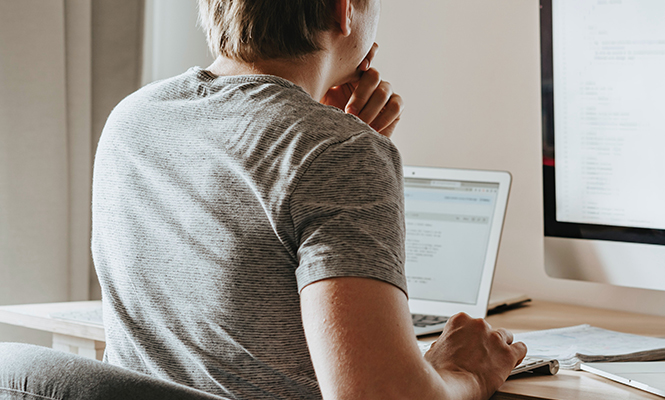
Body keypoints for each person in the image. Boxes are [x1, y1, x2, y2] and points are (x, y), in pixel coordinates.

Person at [90, 0, 527, 399]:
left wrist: (325, 123)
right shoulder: (337, 150)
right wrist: (463, 371)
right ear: (345, 11)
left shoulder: (133, 118)